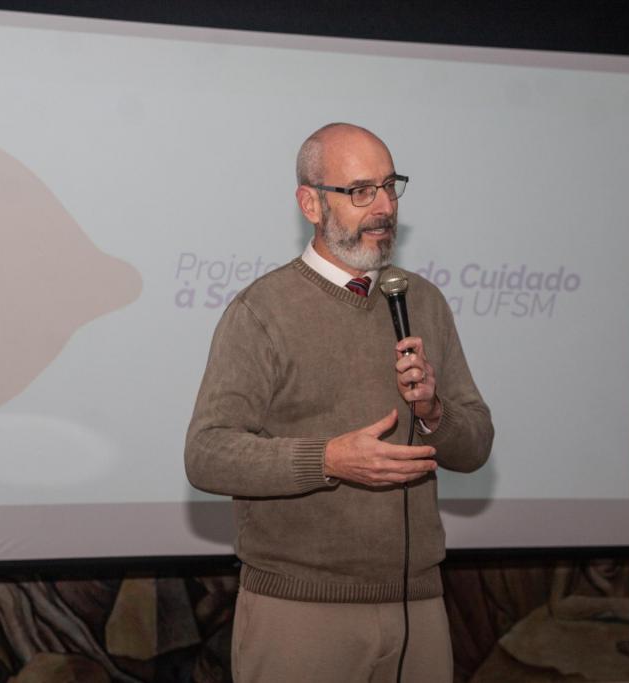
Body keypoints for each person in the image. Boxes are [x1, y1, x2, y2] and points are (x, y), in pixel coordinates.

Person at [185, 123, 493, 682]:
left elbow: (474, 447)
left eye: (389, 186)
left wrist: (433, 412)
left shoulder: (421, 300)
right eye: (360, 191)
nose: (383, 207)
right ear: (310, 202)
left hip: (417, 605)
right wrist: (328, 460)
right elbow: (207, 453)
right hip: (301, 610)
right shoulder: (262, 310)